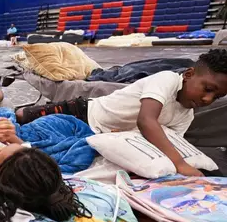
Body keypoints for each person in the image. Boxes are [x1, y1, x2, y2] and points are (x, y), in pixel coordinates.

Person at [16, 49, 227, 177]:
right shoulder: (167, 80)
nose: (207, 100)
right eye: (207, 89)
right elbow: (146, 121)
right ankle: (6, 110)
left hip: (101, 135)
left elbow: (162, 143)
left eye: (216, 97)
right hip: (85, 112)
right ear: (189, 74)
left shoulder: (186, 115)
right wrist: (179, 163)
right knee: (22, 118)